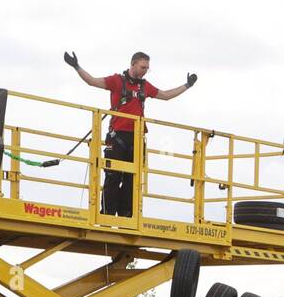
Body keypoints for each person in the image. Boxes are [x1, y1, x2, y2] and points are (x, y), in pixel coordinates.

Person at [63, 51, 197, 217]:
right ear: (133, 64)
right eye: (143, 67)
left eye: (147, 68)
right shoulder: (117, 81)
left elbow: (166, 95)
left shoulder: (144, 86)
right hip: (117, 136)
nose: (145, 71)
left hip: (137, 137)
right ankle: (107, 213)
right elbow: (92, 81)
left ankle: (127, 215)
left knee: (131, 180)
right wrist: (76, 66)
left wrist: (187, 85)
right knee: (113, 176)